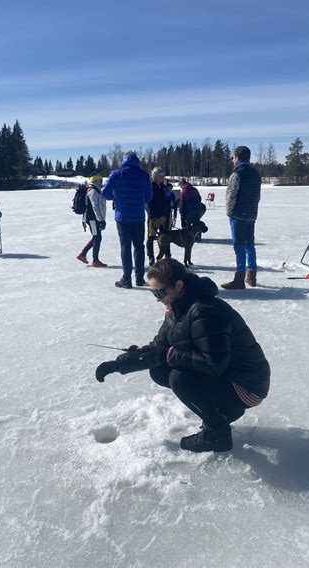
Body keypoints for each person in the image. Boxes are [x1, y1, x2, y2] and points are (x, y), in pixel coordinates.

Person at [95, 258, 270, 453]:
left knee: (179, 378)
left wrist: (172, 354)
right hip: (228, 375)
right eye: (153, 293)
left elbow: (214, 364)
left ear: (179, 285)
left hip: (247, 385)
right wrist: (119, 365)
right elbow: (159, 347)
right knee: (160, 370)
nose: (157, 298)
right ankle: (224, 411)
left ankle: (217, 434)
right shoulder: (176, 308)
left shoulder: (205, 312)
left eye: (159, 292)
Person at [102, 152, 152, 289]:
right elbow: (149, 196)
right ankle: (140, 278)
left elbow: (105, 193)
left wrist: (115, 197)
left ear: (124, 160)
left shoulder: (117, 174)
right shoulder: (144, 175)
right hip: (139, 217)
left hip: (123, 216)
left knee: (125, 247)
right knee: (139, 247)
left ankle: (126, 279)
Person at [222, 146, 261, 289]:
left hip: (238, 215)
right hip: (251, 214)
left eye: (233, 157)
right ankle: (251, 276)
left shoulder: (237, 174)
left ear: (237, 157)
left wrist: (229, 212)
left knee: (239, 246)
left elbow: (231, 195)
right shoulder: (256, 174)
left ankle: (239, 278)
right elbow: (258, 196)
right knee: (250, 244)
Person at [77, 173, 107, 267]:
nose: (101, 182)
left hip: (94, 218)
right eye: (100, 180)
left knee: (96, 237)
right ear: (95, 181)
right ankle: (94, 260)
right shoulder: (92, 191)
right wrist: (101, 220)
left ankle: (83, 255)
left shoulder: (96, 190)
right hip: (92, 219)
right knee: (97, 237)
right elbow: (95, 207)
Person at [146, 167, 170, 266]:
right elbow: (150, 203)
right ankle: (151, 257)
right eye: (161, 175)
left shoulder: (163, 187)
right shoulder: (150, 187)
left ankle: (167, 256)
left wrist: (165, 214)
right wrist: (157, 216)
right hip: (154, 217)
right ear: (155, 176)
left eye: (163, 175)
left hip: (163, 217)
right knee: (151, 237)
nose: (163, 177)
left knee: (165, 237)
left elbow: (165, 202)